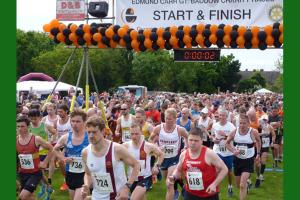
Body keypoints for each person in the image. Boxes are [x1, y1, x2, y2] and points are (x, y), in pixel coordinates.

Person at [81, 116, 140, 200]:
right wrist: (86, 185)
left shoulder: (117, 149)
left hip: (117, 197)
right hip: (96, 197)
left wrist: (127, 187)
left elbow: (136, 165)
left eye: (94, 132)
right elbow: (87, 173)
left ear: (103, 131)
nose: (91, 135)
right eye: (89, 132)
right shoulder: (85, 152)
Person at [167, 127, 228, 200]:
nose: (193, 143)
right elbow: (178, 170)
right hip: (190, 194)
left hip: (209, 194)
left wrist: (214, 184)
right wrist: (173, 177)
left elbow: (224, 169)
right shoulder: (183, 154)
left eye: (196, 140)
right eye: (191, 140)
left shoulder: (209, 154)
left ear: (202, 141)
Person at [149, 108, 188, 200]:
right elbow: (150, 139)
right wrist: (155, 148)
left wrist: (185, 147)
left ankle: (174, 192)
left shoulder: (179, 129)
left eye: (170, 119)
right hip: (162, 159)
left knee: (169, 183)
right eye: (166, 118)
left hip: (175, 159)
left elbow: (188, 137)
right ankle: (181, 187)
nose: (168, 120)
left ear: (175, 119)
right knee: (167, 179)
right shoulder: (158, 128)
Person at [54, 108, 90, 200]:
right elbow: (55, 149)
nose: (74, 124)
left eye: (78, 121)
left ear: (85, 122)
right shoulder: (65, 137)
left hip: (85, 174)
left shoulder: (90, 137)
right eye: (73, 121)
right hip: (70, 174)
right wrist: (63, 159)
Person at [123, 122, 164, 199]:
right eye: (132, 134)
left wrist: (157, 165)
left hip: (145, 178)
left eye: (136, 134)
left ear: (141, 132)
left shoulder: (148, 146)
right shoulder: (125, 146)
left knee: (133, 198)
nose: (134, 136)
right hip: (131, 179)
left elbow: (161, 154)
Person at [17, 115, 53, 200]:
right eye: (18, 126)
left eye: (22, 126)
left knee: (22, 197)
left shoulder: (36, 139)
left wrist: (44, 162)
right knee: (29, 197)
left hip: (35, 173)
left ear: (28, 126)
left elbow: (51, 148)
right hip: (22, 173)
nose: (19, 129)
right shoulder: (16, 140)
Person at [225, 114, 261, 200]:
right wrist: (233, 151)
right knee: (238, 185)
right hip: (237, 160)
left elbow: (259, 142)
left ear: (248, 123)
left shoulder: (253, 132)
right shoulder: (234, 132)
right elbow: (227, 143)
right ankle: (247, 185)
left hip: (248, 160)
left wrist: (258, 154)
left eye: (244, 123)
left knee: (241, 185)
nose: (242, 125)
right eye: (240, 123)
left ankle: (245, 186)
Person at [210, 109, 236, 197]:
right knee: (216, 170)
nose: (221, 117)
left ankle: (230, 185)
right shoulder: (215, 125)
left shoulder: (231, 126)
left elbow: (234, 138)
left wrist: (224, 135)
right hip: (217, 150)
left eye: (223, 115)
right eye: (220, 115)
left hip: (228, 151)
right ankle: (216, 189)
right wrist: (214, 140)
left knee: (229, 171)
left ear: (227, 116)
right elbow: (213, 135)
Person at [254, 114, 276, 188]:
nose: (264, 121)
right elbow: (254, 135)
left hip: (266, 146)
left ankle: (261, 175)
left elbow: (273, 135)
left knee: (263, 161)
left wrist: (272, 141)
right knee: (257, 163)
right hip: (258, 146)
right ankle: (258, 175)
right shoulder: (258, 127)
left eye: (266, 120)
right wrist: (261, 134)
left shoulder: (269, 127)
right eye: (263, 120)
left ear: (267, 120)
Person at [55, 103, 73, 191]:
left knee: (64, 162)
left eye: (61, 112)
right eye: (58, 112)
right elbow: (56, 132)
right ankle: (67, 180)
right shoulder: (56, 121)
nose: (59, 113)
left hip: (71, 144)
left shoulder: (71, 120)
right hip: (61, 144)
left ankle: (69, 180)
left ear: (66, 111)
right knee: (61, 162)